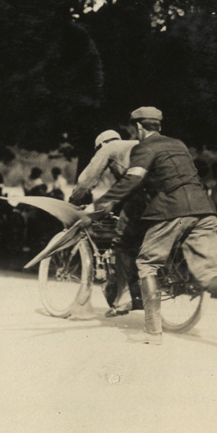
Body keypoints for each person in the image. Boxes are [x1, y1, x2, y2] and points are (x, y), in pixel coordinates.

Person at [84, 107, 217, 344]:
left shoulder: (144, 147)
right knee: (207, 275)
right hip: (205, 210)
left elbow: (133, 179)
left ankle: (152, 332)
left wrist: (99, 204)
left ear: (138, 127)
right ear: (159, 125)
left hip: (172, 210)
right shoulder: (179, 144)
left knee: (146, 264)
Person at [70, 128, 144, 315]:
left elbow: (86, 180)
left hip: (141, 199)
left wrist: (75, 201)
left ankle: (125, 296)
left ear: (101, 145)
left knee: (122, 242)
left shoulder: (109, 148)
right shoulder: (136, 146)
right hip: (163, 197)